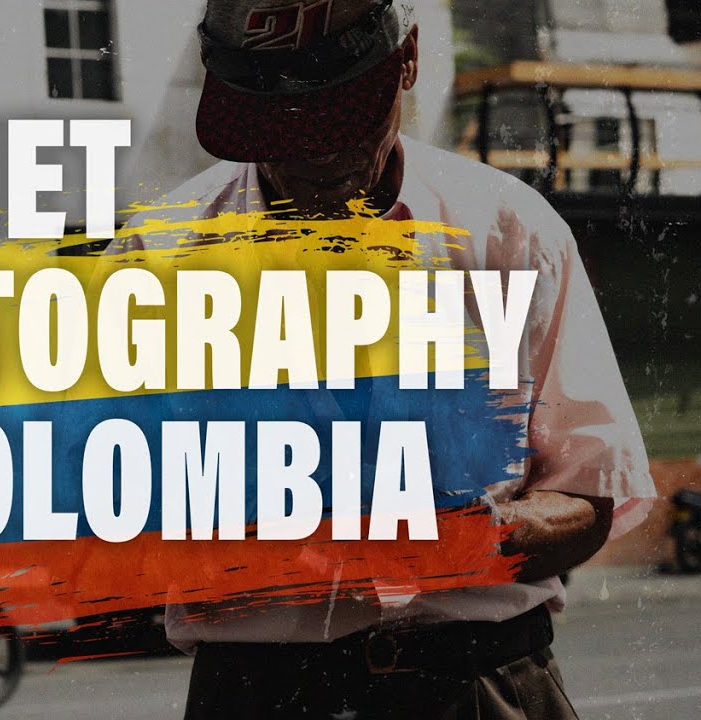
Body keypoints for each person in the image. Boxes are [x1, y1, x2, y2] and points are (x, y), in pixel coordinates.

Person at [114, 0, 656, 717]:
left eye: (338, 122)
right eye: (277, 127)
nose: (313, 156)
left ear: (408, 60)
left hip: (478, 684)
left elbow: (591, 489)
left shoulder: (509, 235)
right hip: (261, 691)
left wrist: (476, 538)